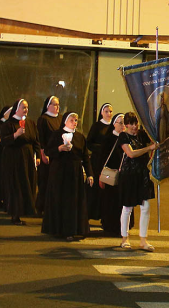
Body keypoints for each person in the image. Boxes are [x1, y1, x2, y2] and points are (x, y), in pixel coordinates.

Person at [42, 111, 93, 240]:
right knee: (60, 200)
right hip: (59, 172)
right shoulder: (56, 135)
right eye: (72, 120)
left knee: (73, 202)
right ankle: (59, 229)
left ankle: (73, 229)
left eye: (76, 120)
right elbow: (48, 151)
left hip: (74, 173)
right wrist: (59, 149)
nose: (74, 123)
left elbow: (85, 157)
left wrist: (90, 174)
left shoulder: (80, 137)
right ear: (65, 121)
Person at [117, 112, 158, 250]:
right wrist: (149, 148)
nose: (134, 126)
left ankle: (143, 240)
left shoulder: (142, 134)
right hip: (129, 175)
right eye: (131, 124)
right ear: (126, 125)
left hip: (143, 174)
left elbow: (155, 140)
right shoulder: (123, 136)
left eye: (136, 123)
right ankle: (125, 238)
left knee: (145, 207)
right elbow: (131, 153)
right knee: (127, 207)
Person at [2, 99, 41, 225]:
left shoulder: (30, 123)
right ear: (17, 109)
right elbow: (4, 141)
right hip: (14, 158)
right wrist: (15, 135)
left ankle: (27, 210)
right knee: (17, 185)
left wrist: (38, 155)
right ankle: (15, 214)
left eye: (27, 107)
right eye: (23, 107)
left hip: (28, 158)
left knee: (28, 183)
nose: (26, 109)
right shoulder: (8, 124)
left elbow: (36, 140)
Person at [98, 113, 126, 237]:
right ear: (114, 124)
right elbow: (102, 158)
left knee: (123, 200)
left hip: (124, 175)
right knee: (110, 200)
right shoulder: (108, 139)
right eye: (120, 122)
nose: (122, 125)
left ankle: (124, 225)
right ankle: (110, 225)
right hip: (110, 174)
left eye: (124, 123)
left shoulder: (127, 138)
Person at [86, 104, 115, 221]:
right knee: (97, 186)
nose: (109, 114)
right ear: (102, 113)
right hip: (97, 160)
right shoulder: (97, 126)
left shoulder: (114, 127)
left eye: (110, 111)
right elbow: (89, 143)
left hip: (109, 161)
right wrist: (101, 148)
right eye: (106, 111)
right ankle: (93, 212)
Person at [35, 95, 62, 213]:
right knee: (45, 181)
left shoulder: (61, 118)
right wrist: (42, 153)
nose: (57, 107)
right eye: (54, 104)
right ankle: (42, 206)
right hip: (47, 154)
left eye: (58, 104)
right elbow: (40, 138)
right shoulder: (43, 119)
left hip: (58, 154)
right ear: (48, 106)